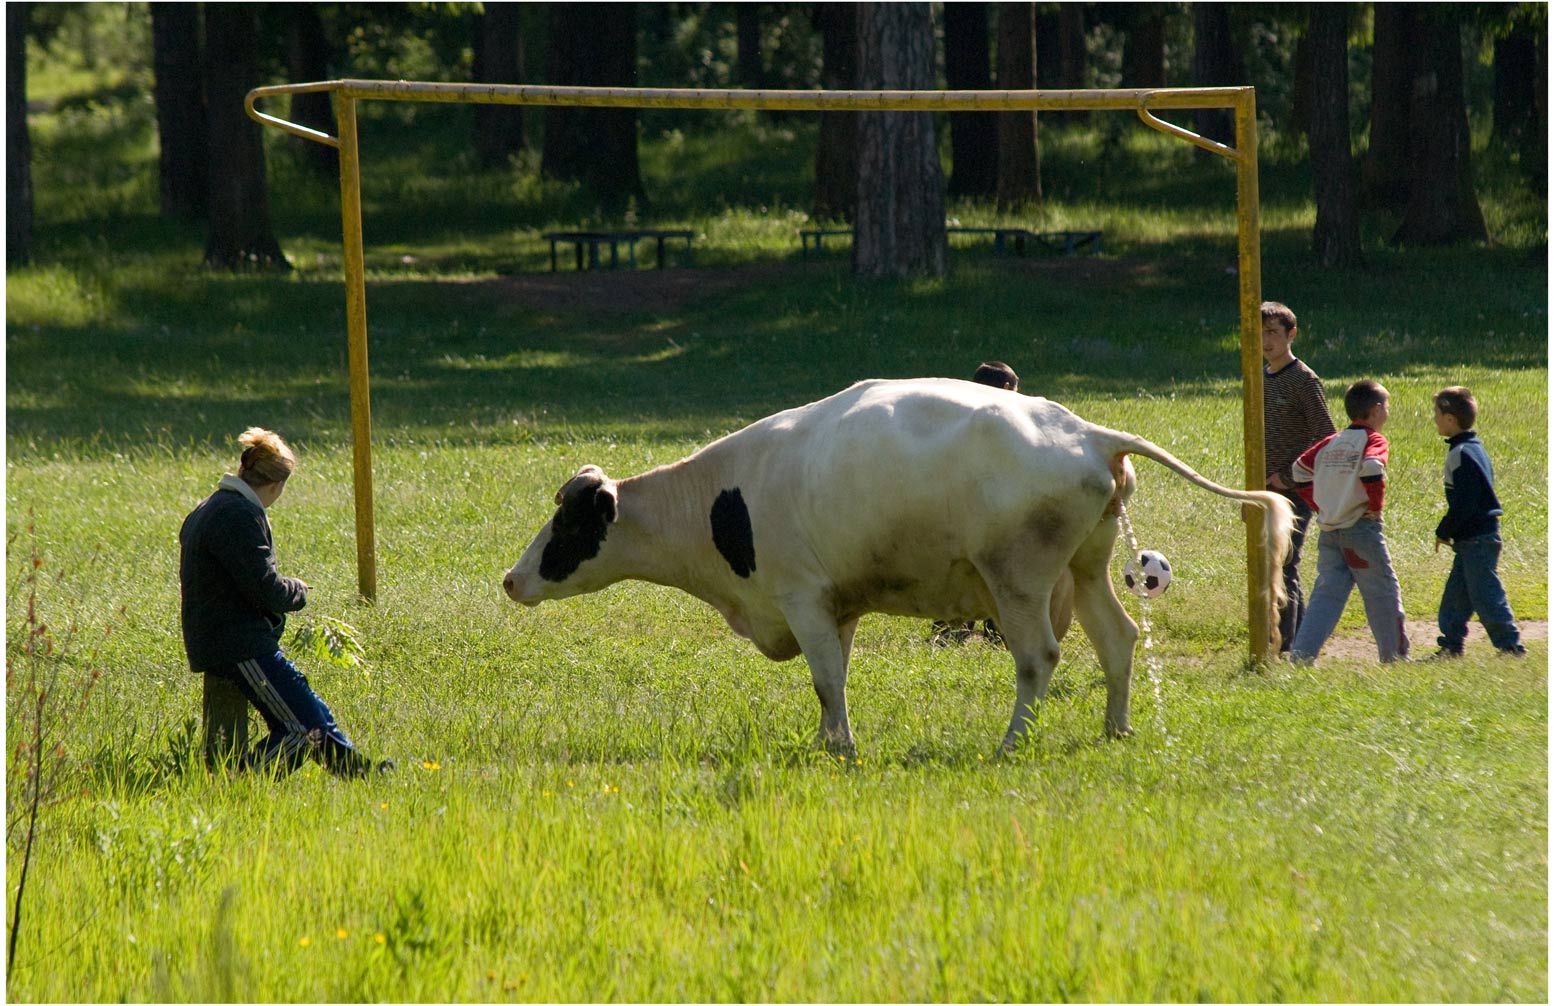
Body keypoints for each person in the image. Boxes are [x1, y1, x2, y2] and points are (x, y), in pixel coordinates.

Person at [179, 427, 390, 777]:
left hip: (227, 638)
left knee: (311, 710)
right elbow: (266, 588)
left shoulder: (212, 506)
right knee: (302, 729)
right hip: (237, 644)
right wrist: (298, 590)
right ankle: (239, 785)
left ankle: (359, 773)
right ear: (277, 485)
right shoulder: (238, 514)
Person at [1287, 381, 1409, 663]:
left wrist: (1320, 504)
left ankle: (1301, 656)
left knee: (1326, 596)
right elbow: (1371, 467)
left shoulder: (1331, 441)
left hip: (1330, 530)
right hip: (1360, 530)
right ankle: (1395, 658)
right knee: (1382, 592)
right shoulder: (1374, 440)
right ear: (1377, 410)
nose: (1388, 413)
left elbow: (1299, 470)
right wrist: (1375, 507)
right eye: (1386, 408)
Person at [1427, 386, 1525, 658]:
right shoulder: (1473, 448)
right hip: (1471, 539)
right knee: (1457, 596)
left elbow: (1466, 503)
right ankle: (1451, 645)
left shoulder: (1461, 454)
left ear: (1450, 418)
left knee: (1485, 594)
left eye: (1436, 413)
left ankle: (1510, 645)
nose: (1434, 419)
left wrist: (1444, 529)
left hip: (1477, 538)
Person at [1260, 302, 1336, 653]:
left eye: (1273, 332)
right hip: (1263, 490)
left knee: (1285, 564)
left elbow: (1326, 437)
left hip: (1295, 492)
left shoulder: (1304, 379)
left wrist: (1290, 477)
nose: (1265, 340)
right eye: (1259, 333)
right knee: (1275, 563)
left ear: (1291, 335)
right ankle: (1305, 640)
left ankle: (1288, 647)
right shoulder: (1259, 375)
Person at [929, 362, 1020, 647]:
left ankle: (950, 628)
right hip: (995, 512)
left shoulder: (959, 417)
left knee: (960, 569)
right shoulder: (1008, 423)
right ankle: (997, 630)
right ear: (1007, 389)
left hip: (955, 510)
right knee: (999, 571)